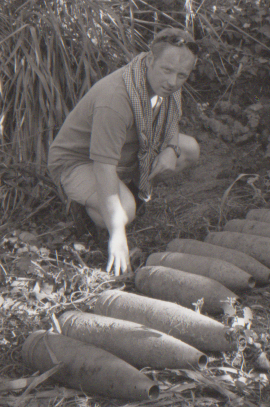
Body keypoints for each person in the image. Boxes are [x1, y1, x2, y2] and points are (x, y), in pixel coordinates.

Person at [48, 27, 200, 276]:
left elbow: (170, 123)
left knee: (189, 149)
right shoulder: (115, 99)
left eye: (182, 75)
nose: (173, 82)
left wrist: (171, 149)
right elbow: (103, 166)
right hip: (79, 162)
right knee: (125, 211)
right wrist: (118, 235)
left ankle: (131, 189)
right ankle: (88, 213)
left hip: (129, 151)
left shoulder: (166, 84)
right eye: (167, 70)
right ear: (150, 59)